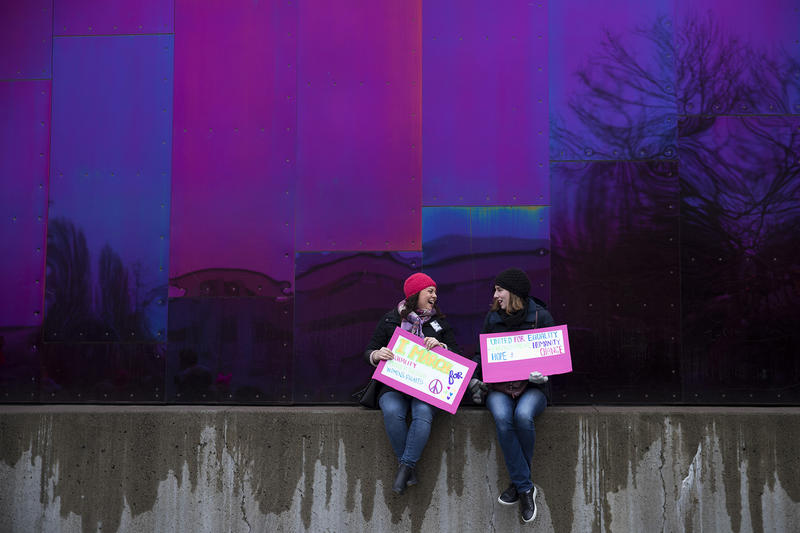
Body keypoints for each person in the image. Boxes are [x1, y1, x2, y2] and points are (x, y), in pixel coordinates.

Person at [364, 272, 461, 495]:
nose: (434, 295)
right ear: (415, 294)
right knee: (391, 410)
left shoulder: (439, 323)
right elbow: (369, 350)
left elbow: (457, 354)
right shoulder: (390, 319)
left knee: (423, 412)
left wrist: (442, 347)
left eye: (435, 291)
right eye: (430, 291)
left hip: (426, 388)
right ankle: (408, 469)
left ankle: (406, 467)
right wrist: (377, 354)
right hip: (394, 387)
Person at [471, 268, 554, 523]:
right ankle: (525, 487)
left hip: (532, 389)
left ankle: (518, 484)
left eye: (499, 290)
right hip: (498, 388)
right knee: (503, 418)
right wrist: (474, 376)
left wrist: (546, 373)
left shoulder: (542, 317)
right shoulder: (492, 318)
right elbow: (480, 354)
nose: (495, 296)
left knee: (524, 416)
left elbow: (554, 357)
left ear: (514, 293)